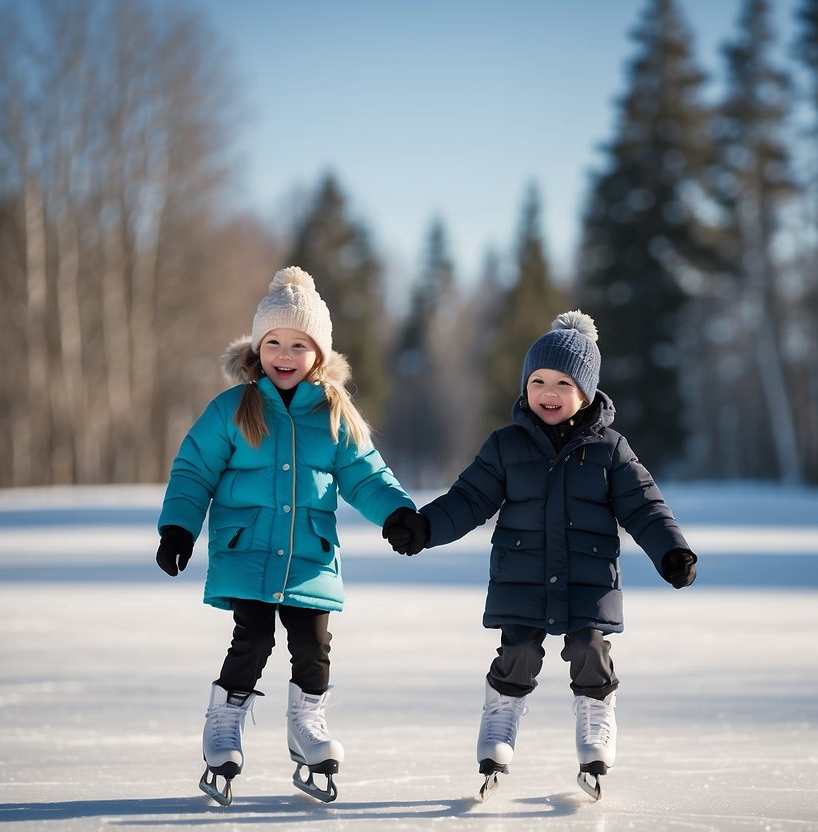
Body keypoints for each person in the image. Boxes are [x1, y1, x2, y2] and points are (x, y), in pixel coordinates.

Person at [383, 310, 697, 801]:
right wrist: (425, 527)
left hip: (589, 579)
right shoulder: (506, 446)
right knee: (519, 651)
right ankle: (501, 714)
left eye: (563, 382)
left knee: (590, 650)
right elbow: (468, 499)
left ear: (588, 392)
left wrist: (671, 551)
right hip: (522, 575)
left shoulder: (610, 450)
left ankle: (596, 717)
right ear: (525, 385)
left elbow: (644, 507)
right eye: (538, 380)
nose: (548, 391)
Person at [155, 266, 416, 805]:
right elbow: (193, 470)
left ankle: (307, 725)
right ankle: (224, 724)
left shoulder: (335, 413)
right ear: (257, 348)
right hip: (246, 549)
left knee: (313, 645)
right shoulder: (234, 408)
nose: (284, 354)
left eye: (299, 344)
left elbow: (366, 474)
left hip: (310, 556)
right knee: (252, 639)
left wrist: (396, 513)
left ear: (317, 354)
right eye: (273, 342)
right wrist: (179, 527)